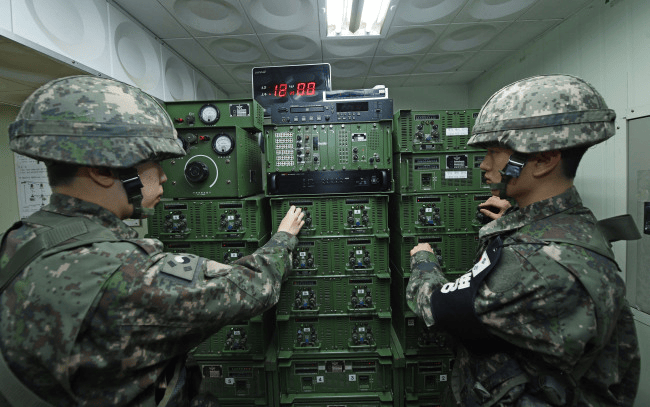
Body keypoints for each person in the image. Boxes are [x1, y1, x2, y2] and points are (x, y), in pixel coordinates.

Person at [0, 75, 304, 407]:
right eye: (152, 163)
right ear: (103, 170)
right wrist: (283, 239)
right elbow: (253, 288)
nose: (163, 176)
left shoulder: (17, 241)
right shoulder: (131, 274)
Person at [407, 74, 640, 406]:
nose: (484, 165)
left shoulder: (532, 262)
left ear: (544, 160)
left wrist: (424, 260)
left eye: (493, 152)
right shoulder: (573, 224)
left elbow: (435, 307)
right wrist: (511, 221)